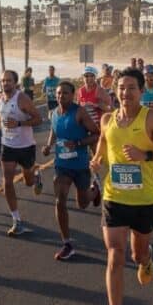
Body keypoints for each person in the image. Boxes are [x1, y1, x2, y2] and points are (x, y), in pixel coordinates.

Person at [89, 67, 153, 305]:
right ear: (115, 90)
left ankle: (146, 257)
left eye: (131, 88)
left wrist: (145, 154)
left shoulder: (150, 118)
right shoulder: (106, 119)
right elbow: (103, 143)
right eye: (121, 87)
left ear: (141, 91)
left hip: (144, 199)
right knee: (114, 254)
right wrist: (98, 159)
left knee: (136, 255)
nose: (125, 93)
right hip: (114, 197)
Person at [41, 81, 102, 260]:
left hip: (80, 165)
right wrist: (48, 145)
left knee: (83, 203)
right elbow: (54, 131)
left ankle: (95, 190)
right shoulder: (54, 113)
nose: (60, 96)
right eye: (58, 93)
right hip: (61, 165)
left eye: (65, 93)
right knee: (60, 200)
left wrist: (77, 143)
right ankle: (67, 243)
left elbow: (96, 134)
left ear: (73, 95)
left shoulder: (80, 112)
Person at [0, 70, 44, 236]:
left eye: (8, 81)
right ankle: (16, 220)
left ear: (15, 83)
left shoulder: (22, 98)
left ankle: (35, 174)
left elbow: (38, 119)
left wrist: (19, 123)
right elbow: (1, 116)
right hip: (7, 145)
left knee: (28, 182)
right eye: (2, 81)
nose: (5, 84)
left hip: (25, 146)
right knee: (7, 182)